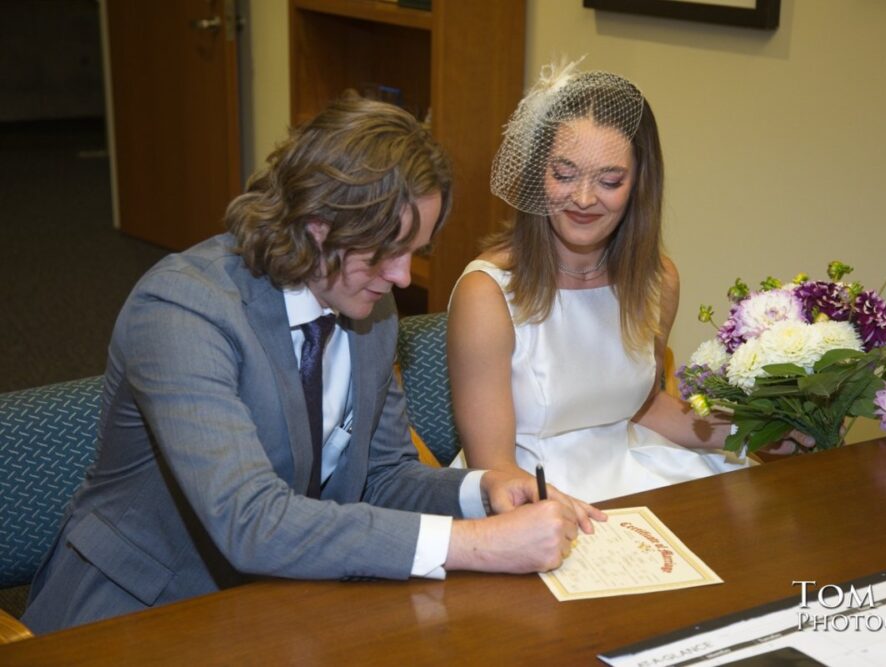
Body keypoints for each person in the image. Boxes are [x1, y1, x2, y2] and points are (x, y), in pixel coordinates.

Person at [22, 91, 602, 634]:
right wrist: (479, 543)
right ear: (317, 223)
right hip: (137, 613)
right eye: (387, 250)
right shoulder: (183, 309)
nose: (402, 276)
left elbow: (383, 476)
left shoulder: (367, 304)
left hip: (278, 598)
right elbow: (251, 521)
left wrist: (483, 492)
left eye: (413, 251)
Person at [447, 60, 753, 504]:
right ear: (537, 174)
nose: (585, 198)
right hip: (525, 493)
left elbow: (642, 407)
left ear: (639, 184)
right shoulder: (488, 293)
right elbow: (493, 467)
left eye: (610, 180)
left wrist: (758, 430)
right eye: (564, 174)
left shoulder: (657, 280)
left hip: (634, 473)